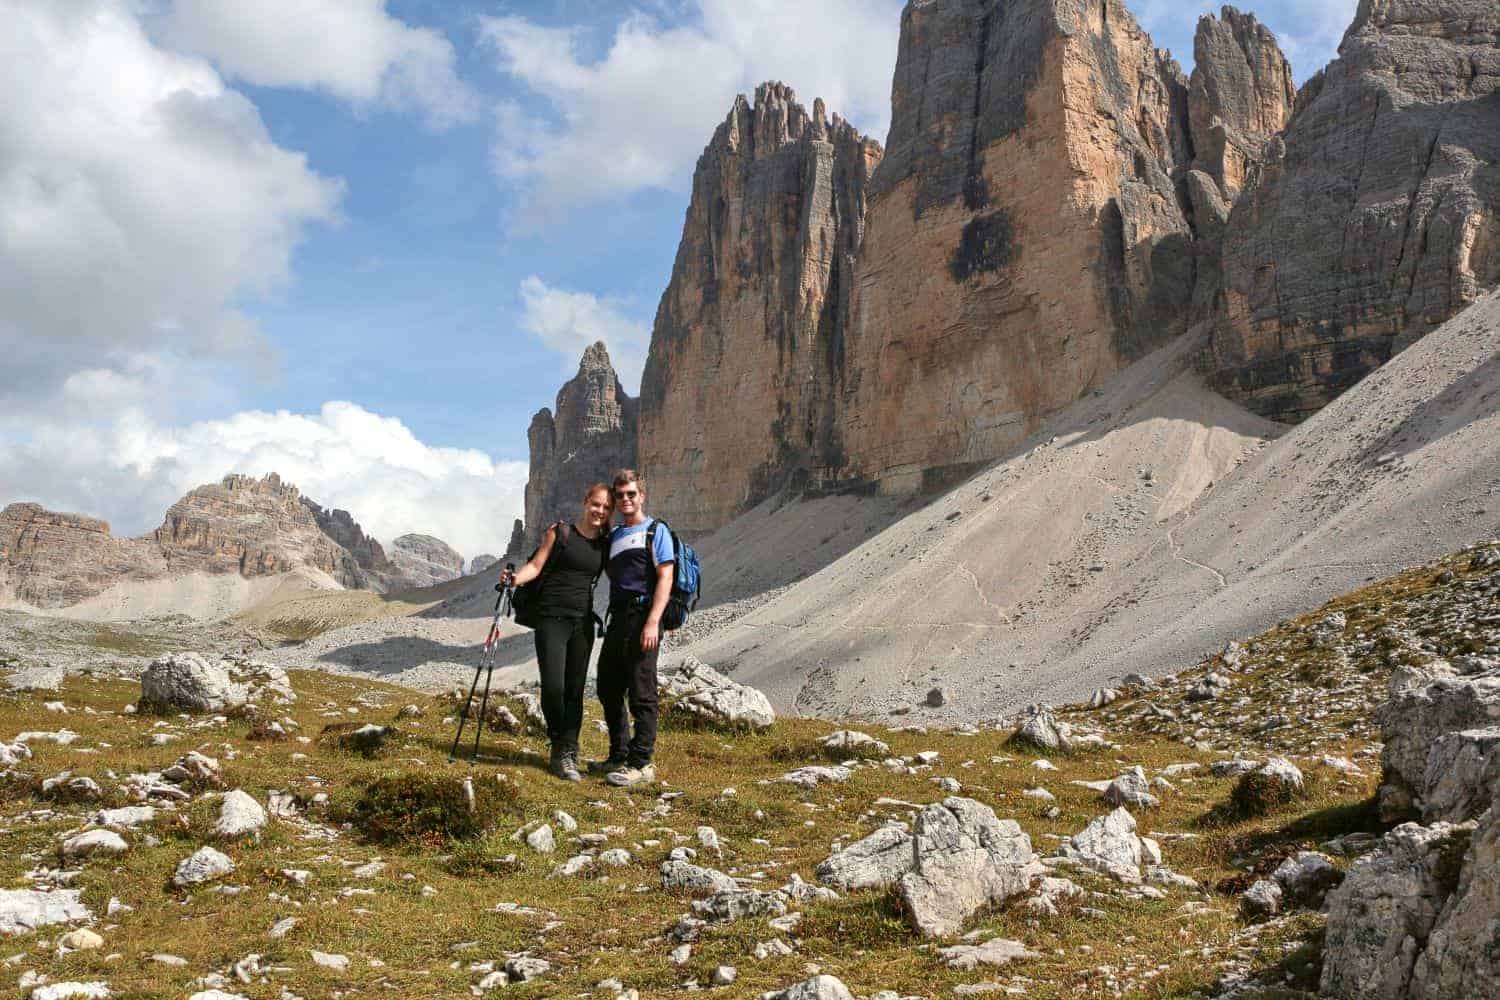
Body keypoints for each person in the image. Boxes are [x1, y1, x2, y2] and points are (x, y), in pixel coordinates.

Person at [501, 484, 613, 781]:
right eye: (596, 504)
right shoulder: (560, 532)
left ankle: (567, 751)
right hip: (551, 619)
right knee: (553, 688)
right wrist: (513, 580)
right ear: (585, 501)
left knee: (575, 691)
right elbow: (536, 566)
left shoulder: (604, 543)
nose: (599, 511)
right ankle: (557, 740)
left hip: (582, 624)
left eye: (605, 507)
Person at [593, 468, 674, 787]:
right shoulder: (613, 536)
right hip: (618, 619)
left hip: (644, 617)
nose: (625, 499)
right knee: (608, 686)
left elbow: (665, 576)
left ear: (642, 496)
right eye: (620, 494)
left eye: (631, 494)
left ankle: (641, 763)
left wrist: (654, 621)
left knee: (642, 690)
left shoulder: (656, 531)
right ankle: (619, 754)